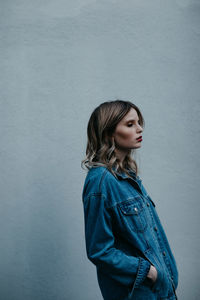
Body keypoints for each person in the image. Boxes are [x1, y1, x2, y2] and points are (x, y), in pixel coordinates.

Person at [81, 100, 178, 300]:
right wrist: (148, 272)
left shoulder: (127, 176)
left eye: (139, 122)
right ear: (108, 133)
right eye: (130, 124)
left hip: (160, 293)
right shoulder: (101, 182)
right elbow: (100, 250)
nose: (140, 128)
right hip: (137, 294)